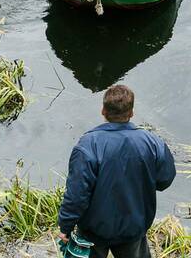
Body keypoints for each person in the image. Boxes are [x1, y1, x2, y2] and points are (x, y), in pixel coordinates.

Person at [59, 84, 176, 258]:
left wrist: (65, 226)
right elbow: (165, 179)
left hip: (94, 231)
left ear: (103, 111)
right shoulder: (152, 142)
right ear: (131, 113)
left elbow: (77, 194)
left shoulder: (88, 145)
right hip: (133, 228)